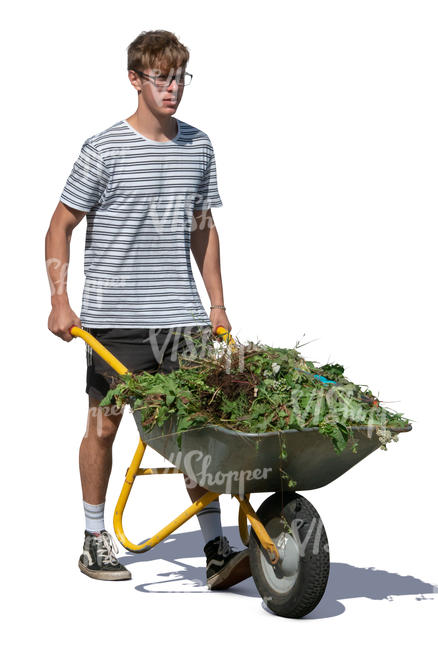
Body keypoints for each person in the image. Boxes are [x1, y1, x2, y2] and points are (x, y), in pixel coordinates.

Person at [45, 29, 251, 590]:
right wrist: (61, 300)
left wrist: (218, 305)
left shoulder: (199, 146)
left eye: (180, 76)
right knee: (103, 426)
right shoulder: (104, 149)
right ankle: (94, 536)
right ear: (135, 79)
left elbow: (203, 230)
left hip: (180, 319)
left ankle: (214, 545)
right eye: (161, 77)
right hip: (113, 320)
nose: (173, 88)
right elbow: (60, 225)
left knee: (196, 432)